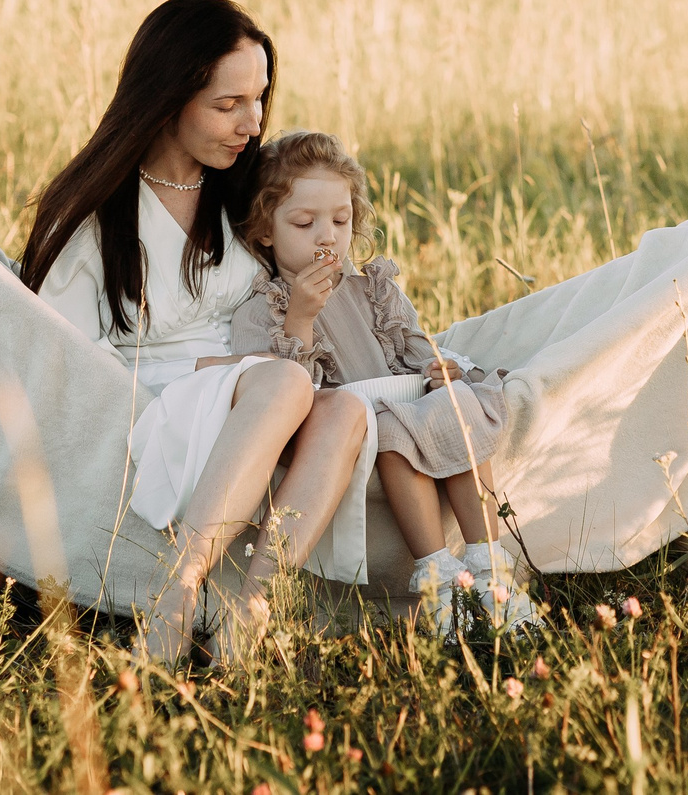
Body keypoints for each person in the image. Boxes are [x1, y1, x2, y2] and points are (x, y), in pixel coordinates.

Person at [18, 0, 367, 661]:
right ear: (168, 99)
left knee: (346, 409)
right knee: (286, 383)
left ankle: (250, 610)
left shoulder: (240, 193)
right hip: (155, 403)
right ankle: (178, 592)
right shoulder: (96, 215)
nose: (252, 123)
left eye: (258, 99)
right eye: (228, 104)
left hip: (255, 388)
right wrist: (221, 371)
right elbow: (64, 361)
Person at [228, 131, 542, 635]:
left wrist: (439, 371)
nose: (327, 237)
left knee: (456, 402)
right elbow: (283, 395)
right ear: (265, 230)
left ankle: (491, 571)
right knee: (394, 432)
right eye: (305, 224)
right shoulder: (264, 309)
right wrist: (301, 319)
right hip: (352, 433)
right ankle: (440, 584)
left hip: (406, 405)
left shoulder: (373, 288)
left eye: (341, 220)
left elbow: (415, 348)